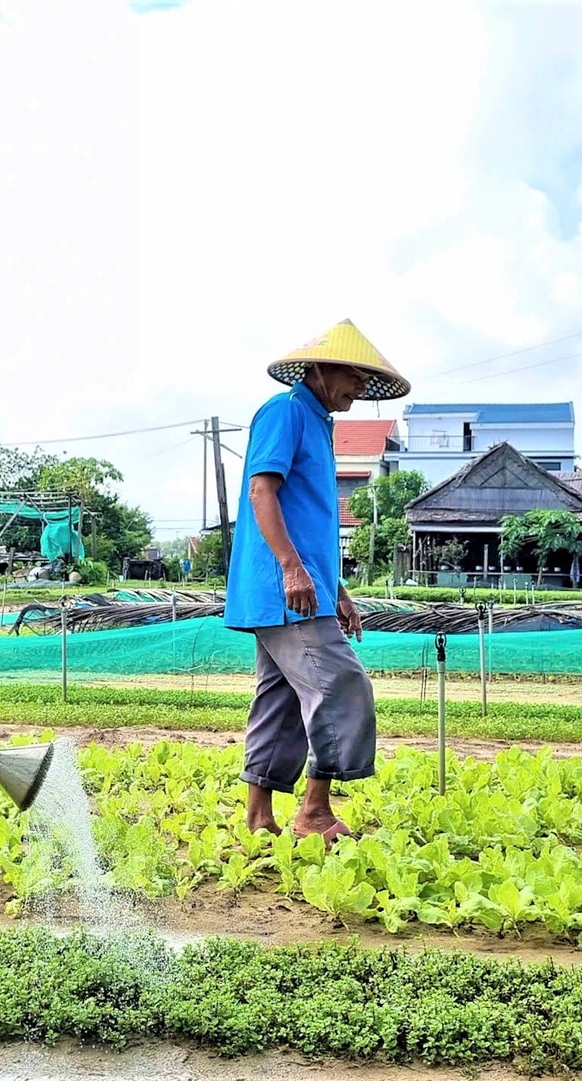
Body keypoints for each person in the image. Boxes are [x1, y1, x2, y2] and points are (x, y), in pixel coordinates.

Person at [224, 320, 411, 844]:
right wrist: (290, 567)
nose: (360, 390)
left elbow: (314, 521)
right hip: (284, 590)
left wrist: (339, 591)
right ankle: (314, 812)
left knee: (280, 699)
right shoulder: (285, 411)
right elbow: (263, 491)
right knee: (342, 685)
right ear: (322, 370)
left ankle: (259, 819)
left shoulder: (318, 423)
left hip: (302, 588)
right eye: (354, 377)